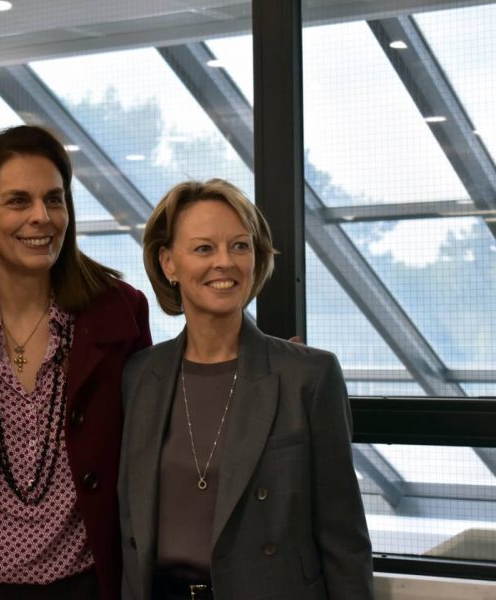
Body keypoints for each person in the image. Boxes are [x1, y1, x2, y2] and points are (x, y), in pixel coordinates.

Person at [0, 125, 152, 599]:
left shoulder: (121, 311)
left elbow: (151, 440)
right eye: (19, 201)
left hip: (91, 585)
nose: (43, 217)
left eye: (55, 199)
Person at [118, 179, 373, 600]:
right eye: (204, 248)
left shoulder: (309, 375)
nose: (226, 262)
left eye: (240, 246)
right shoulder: (139, 376)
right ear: (168, 263)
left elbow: (343, 539)